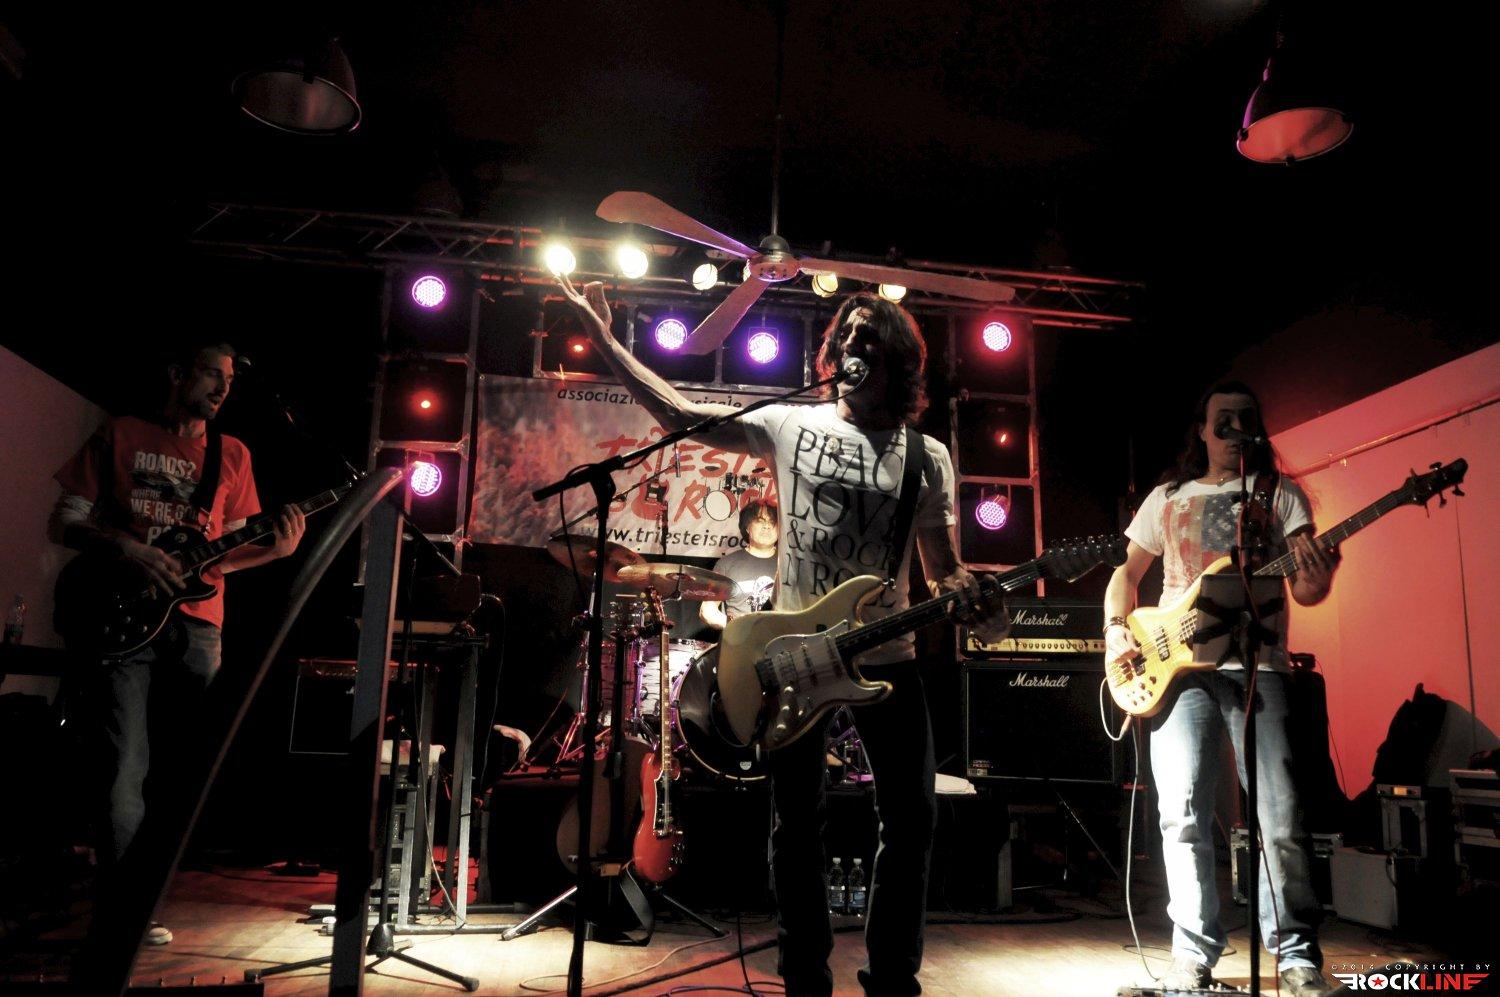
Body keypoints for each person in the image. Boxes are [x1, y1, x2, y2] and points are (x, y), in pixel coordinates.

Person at [560, 277, 1008, 996]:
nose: (855, 342)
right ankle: (805, 975)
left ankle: (893, 976)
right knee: (797, 823)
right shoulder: (790, 425)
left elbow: (943, 569)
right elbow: (681, 414)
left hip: (887, 657)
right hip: (795, 656)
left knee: (913, 818)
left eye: (870, 335)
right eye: (847, 333)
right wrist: (609, 341)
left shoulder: (926, 456)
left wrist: (975, 600)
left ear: (897, 358)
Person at [49, 339, 305, 945]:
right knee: (123, 766)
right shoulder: (121, 433)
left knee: (188, 770)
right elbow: (64, 520)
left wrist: (276, 552)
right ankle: (124, 912)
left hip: (198, 625)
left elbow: (222, 556)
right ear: (176, 373)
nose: (221, 389)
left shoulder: (233, 454)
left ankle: (145, 899)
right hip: (121, 618)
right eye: (211, 375)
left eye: (228, 382)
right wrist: (127, 548)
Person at [1103, 380, 1339, 997]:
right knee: (1181, 814)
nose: (1235, 429)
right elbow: (1126, 574)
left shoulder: (1279, 495)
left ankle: (1295, 957)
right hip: (1177, 669)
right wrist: (1115, 630)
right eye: (1223, 420)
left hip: (1259, 665)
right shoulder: (1167, 498)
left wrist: (1319, 576)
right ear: (1203, 432)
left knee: (1279, 815)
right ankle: (1192, 955)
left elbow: (1305, 589)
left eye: (1245, 419)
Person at [700, 498, 779, 631]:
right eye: (760, 521)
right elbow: (707, 610)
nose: (767, 526)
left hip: (780, 640)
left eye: (772, 522)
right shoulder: (727, 564)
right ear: (747, 527)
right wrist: (737, 628)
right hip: (739, 640)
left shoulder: (789, 563)